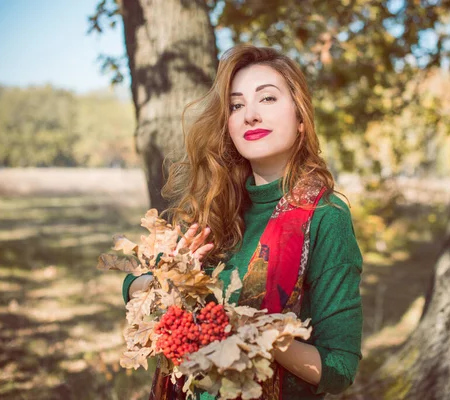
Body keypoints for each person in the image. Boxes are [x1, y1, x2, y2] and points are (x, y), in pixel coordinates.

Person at [122, 44, 363, 400]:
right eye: (236, 105)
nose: (250, 115)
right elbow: (133, 286)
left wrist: (248, 329)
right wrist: (163, 285)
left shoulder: (325, 219)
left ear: (301, 119)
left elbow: (338, 369)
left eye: (267, 99)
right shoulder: (212, 206)